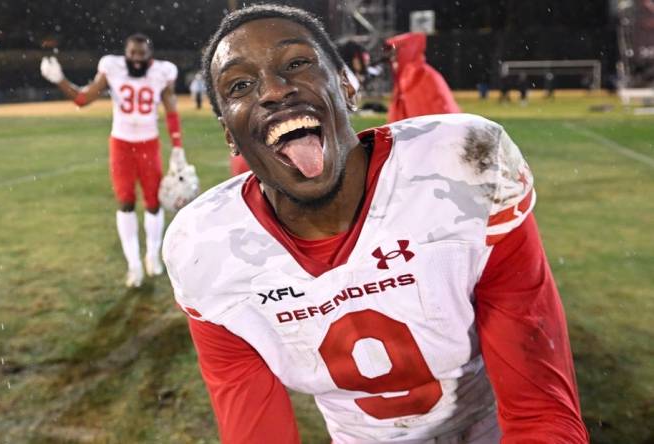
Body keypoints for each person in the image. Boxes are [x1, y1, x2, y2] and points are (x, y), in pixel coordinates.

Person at [163, 5, 589, 443]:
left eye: (296, 63)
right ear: (229, 134)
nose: (273, 90)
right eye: (240, 85)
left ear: (347, 87)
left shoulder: (459, 172)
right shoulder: (207, 251)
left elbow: (541, 413)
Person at [40, 34, 188, 287]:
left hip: (149, 143)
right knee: (125, 202)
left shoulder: (163, 72)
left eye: (141, 53)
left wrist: (177, 145)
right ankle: (134, 265)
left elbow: (171, 107)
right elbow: (83, 99)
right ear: (125, 53)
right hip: (121, 144)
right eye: (133, 53)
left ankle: (152, 256)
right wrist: (60, 80)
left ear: (149, 53)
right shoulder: (112, 67)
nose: (137, 58)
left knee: (154, 202)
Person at [385, 32, 460, 123]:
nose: (393, 58)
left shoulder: (415, 74)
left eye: (396, 52)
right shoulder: (415, 72)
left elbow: (417, 112)